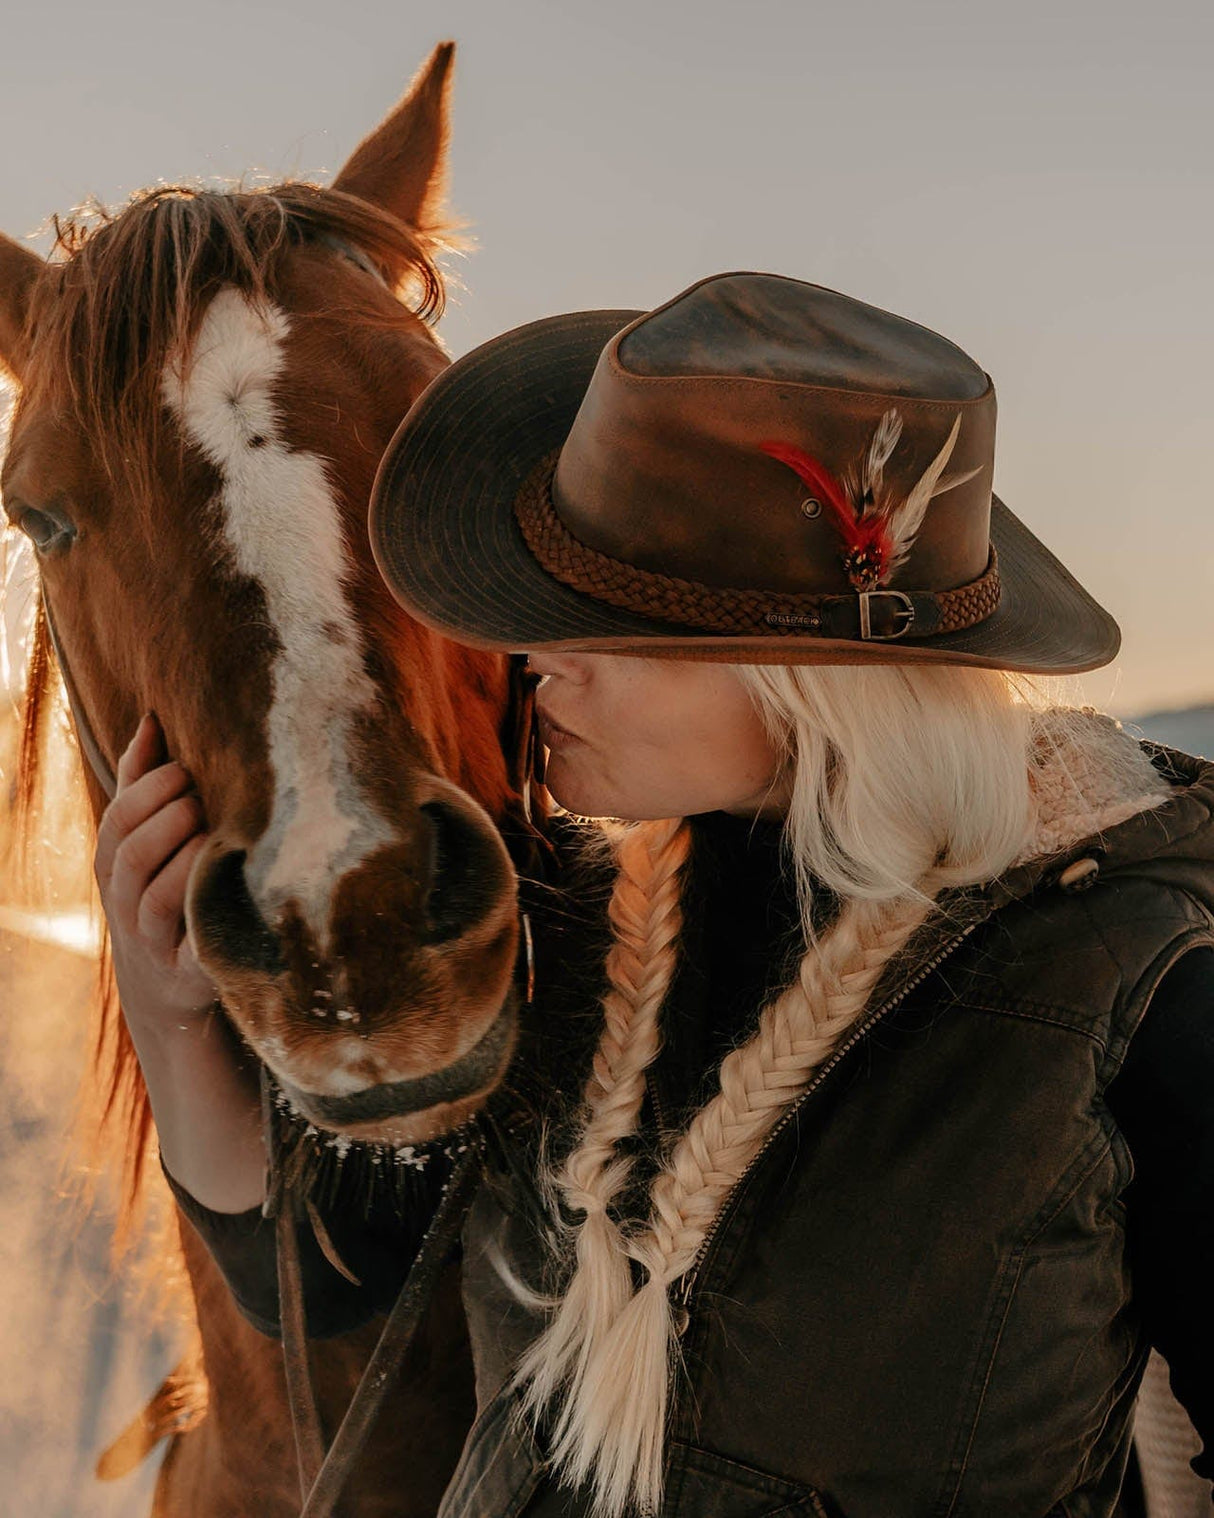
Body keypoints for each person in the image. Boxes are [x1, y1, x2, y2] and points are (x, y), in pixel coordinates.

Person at [97, 272, 1214, 1517]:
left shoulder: (1126, 965)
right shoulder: (578, 920)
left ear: (793, 670)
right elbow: (325, 1279)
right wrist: (167, 1003)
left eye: (595, 623)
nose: (528, 662)